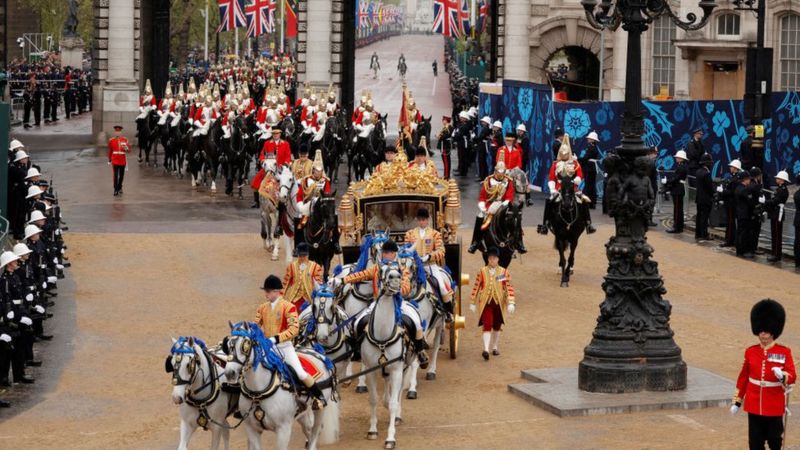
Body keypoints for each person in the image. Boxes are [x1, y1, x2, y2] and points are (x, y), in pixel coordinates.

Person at [337, 239, 429, 368]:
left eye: (389, 252)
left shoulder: (403, 269)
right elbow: (360, 275)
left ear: (395, 254)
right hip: (378, 303)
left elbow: (406, 287)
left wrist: (396, 290)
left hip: (398, 303)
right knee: (357, 322)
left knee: (416, 322)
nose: (386, 255)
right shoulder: (376, 268)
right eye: (385, 252)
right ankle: (357, 350)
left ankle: (420, 351)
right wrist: (342, 280)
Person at [255, 275, 327, 410]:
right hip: (267, 348)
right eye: (266, 291)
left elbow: (294, 329)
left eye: (268, 291)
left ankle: (319, 396)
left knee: (300, 372)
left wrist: (276, 338)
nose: (266, 294)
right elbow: (255, 326)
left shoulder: (289, 307)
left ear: (277, 292)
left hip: (284, 347)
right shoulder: (262, 308)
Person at [732, 299, 795, 450]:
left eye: (766, 332)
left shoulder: (784, 352)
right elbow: (744, 378)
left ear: (773, 332)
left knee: (775, 441)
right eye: (761, 331)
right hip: (754, 404)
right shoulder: (751, 351)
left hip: (774, 403)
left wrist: (783, 376)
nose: (763, 335)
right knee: (755, 442)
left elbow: (792, 375)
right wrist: (737, 401)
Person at [538, 135, 596, 235]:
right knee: (549, 202)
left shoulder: (574, 163)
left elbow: (580, 175)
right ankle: (545, 225)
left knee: (584, 201)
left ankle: (588, 224)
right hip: (559, 189)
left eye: (566, 153)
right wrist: (552, 189)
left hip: (573, 188)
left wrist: (575, 181)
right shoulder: (555, 164)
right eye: (562, 153)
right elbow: (551, 178)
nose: (564, 155)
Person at [469, 247, 515, 361]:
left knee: (497, 326)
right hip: (486, 303)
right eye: (490, 258)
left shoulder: (503, 272)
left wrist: (511, 302)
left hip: (499, 303)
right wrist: (472, 302)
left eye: (494, 258)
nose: (491, 260)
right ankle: (485, 349)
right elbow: (476, 286)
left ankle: (494, 346)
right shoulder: (482, 271)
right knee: (487, 325)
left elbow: (508, 287)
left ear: (498, 259)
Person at [404, 208, 453, 314]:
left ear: (428, 220)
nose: (422, 222)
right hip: (414, 266)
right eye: (420, 219)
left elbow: (441, 250)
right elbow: (405, 249)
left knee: (442, 287)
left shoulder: (435, 234)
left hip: (430, 265)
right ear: (417, 220)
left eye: (424, 219)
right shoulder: (410, 234)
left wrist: (429, 256)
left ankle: (448, 313)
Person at [295, 151, 341, 254]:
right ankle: (297, 244)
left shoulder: (325, 180)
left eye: (320, 171)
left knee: (334, 218)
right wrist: (300, 205)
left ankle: (336, 242)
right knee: (300, 221)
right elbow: (299, 194)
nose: (318, 173)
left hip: (323, 203)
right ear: (313, 170)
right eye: (316, 171)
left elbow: (328, 193)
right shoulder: (306, 180)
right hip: (309, 203)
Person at [469, 161, 517, 254]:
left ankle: (517, 242)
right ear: (495, 171)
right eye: (499, 172)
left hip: (503, 204)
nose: (500, 174)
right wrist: (483, 207)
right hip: (489, 205)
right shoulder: (488, 181)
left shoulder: (508, 181)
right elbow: (482, 196)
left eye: (502, 172)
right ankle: (476, 242)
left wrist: (505, 204)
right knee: (480, 217)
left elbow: (509, 196)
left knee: (515, 217)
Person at [281, 243, 323, 311]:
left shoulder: (315, 267)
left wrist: (318, 296)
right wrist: (280, 297)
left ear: (308, 255)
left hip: (309, 299)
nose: (302, 258)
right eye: (300, 256)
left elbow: (319, 284)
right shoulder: (292, 266)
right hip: (294, 299)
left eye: (304, 255)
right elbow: (285, 283)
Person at [765, 171, 789, 263]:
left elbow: (776, 201)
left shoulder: (783, 190)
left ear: (782, 180)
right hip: (775, 212)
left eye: (778, 178)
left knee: (777, 235)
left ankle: (776, 254)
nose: (776, 179)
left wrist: (766, 202)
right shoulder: (780, 189)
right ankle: (774, 252)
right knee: (774, 234)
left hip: (778, 213)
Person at [719, 160, 743, 247]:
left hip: (732, 203)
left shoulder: (736, 179)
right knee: (730, 221)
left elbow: (732, 192)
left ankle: (729, 240)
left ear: (736, 168)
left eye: (732, 167)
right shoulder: (732, 177)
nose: (730, 168)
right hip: (729, 202)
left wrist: (723, 191)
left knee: (730, 222)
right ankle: (730, 239)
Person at [664, 150, 688, 233]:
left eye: (678, 157)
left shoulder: (681, 167)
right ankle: (678, 226)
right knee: (678, 209)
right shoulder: (681, 166)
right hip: (678, 189)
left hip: (678, 189)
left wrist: (667, 181)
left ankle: (677, 227)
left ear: (681, 158)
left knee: (677, 210)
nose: (676, 158)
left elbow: (676, 178)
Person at [734, 171, 756, 258]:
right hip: (745, 214)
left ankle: (739, 250)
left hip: (739, 213)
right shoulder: (745, 190)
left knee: (739, 231)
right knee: (743, 233)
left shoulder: (737, 188)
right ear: (745, 180)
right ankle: (742, 251)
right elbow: (750, 202)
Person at [694, 153, 714, 242]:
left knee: (699, 216)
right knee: (704, 217)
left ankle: (698, 234)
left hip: (699, 198)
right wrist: (714, 194)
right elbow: (710, 188)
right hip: (706, 199)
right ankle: (704, 234)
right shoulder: (707, 174)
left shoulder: (698, 172)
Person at [579, 131, 600, 208]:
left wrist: (577, 159)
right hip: (591, 168)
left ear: (593, 140)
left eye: (590, 138)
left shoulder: (591, 148)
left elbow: (586, 158)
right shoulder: (593, 147)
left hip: (590, 168)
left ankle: (586, 202)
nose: (588, 139)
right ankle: (591, 202)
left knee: (588, 185)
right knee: (591, 185)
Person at [107, 125, 130, 196]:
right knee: (116, 175)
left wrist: (127, 148)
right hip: (115, 159)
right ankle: (115, 189)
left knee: (121, 175)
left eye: (119, 131)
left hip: (122, 159)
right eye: (116, 131)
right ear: (115, 132)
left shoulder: (125, 140)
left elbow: (129, 150)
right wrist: (109, 159)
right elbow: (110, 150)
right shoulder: (111, 140)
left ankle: (120, 187)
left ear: (121, 132)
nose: (117, 133)